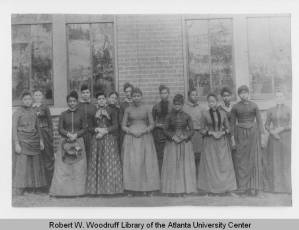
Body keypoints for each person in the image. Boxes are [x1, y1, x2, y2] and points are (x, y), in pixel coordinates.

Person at [122, 87, 160, 195]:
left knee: (146, 162)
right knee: (133, 162)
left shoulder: (147, 108)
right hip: (132, 138)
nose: (136, 98)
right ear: (131, 97)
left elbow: (152, 124)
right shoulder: (128, 109)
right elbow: (123, 126)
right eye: (134, 96)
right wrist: (130, 131)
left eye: (138, 96)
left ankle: (147, 188)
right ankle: (132, 189)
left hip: (145, 137)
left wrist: (145, 131)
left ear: (141, 96)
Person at [197, 93, 237, 195]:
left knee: (223, 166)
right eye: (209, 101)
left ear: (217, 102)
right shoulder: (205, 114)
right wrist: (210, 133)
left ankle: (227, 189)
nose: (211, 103)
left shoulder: (222, 113)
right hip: (210, 143)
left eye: (213, 101)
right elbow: (201, 129)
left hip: (222, 143)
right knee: (211, 166)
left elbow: (229, 128)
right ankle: (210, 190)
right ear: (208, 103)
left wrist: (222, 133)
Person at [49, 91, 87, 197]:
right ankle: (61, 192)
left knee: (78, 168)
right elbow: (60, 128)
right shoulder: (63, 114)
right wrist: (68, 134)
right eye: (70, 101)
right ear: (67, 102)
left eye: (74, 101)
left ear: (77, 102)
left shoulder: (81, 114)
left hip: (78, 142)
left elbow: (85, 128)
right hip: (65, 142)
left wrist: (76, 135)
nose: (72, 103)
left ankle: (78, 192)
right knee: (63, 167)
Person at [86, 92, 123, 195]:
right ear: (96, 101)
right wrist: (96, 129)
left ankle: (110, 189)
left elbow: (115, 125)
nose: (101, 100)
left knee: (108, 163)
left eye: (103, 98)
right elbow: (89, 127)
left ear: (106, 100)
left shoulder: (111, 111)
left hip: (109, 140)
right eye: (99, 99)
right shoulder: (93, 111)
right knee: (97, 163)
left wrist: (105, 131)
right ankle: (97, 190)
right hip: (97, 139)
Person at [230, 85, 264, 196]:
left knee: (254, 160)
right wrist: (233, 140)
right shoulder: (235, 107)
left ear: (248, 93)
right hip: (240, 135)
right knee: (242, 161)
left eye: (245, 93)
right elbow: (232, 125)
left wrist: (262, 137)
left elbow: (260, 122)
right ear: (238, 95)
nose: (243, 95)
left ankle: (255, 188)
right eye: (241, 93)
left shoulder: (254, 105)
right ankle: (243, 188)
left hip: (253, 134)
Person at [161, 94, 197, 195]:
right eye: (175, 104)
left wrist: (185, 136)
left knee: (183, 165)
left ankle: (184, 189)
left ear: (182, 105)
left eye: (179, 104)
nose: (177, 106)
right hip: (172, 143)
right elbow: (165, 129)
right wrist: (172, 136)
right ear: (173, 104)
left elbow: (192, 130)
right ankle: (173, 189)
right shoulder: (169, 116)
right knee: (173, 165)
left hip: (184, 143)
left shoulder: (187, 116)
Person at [12, 91, 47, 195]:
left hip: (34, 140)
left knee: (35, 165)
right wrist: (16, 143)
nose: (28, 101)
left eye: (29, 99)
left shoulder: (33, 111)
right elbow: (14, 129)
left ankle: (36, 187)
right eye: (25, 99)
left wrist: (41, 140)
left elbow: (38, 127)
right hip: (23, 140)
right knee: (23, 165)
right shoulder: (17, 112)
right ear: (22, 101)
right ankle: (20, 187)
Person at [263, 91, 291, 193]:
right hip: (274, 138)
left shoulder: (289, 109)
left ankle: (287, 188)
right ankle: (275, 188)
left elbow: (293, 124)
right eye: (277, 96)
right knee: (275, 161)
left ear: (284, 97)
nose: (279, 98)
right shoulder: (270, 110)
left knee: (286, 161)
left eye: (281, 96)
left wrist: (282, 128)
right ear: (275, 98)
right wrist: (272, 131)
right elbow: (266, 125)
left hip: (286, 137)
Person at [32, 89, 54, 191]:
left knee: (47, 157)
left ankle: (49, 184)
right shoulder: (31, 108)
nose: (37, 97)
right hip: (34, 134)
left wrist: (50, 135)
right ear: (33, 97)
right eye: (35, 95)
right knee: (37, 158)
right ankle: (38, 185)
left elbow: (50, 123)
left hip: (44, 133)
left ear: (42, 97)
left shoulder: (45, 107)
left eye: (39, 95)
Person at [152, 85, 172, 173]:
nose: (164, 95)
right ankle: (160, 175)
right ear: (160, 95)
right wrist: (158, 124)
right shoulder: (156, 107)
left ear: (168, 94)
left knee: (170, 154)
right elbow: (151, 121)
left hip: (169, 133)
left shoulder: (172, 106)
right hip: (159, 133)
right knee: (160, 155)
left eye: (165, 93)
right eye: (162, 93)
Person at [183, 89, 204, 172]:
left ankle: (198, 176)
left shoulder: (201, 108)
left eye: (196, 94)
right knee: (189, 156)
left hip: (198, 134)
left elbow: (205, 121)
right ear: (188, 96)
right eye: (193, 95)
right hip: (188, 135)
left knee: (198, 156)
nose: (195, 96)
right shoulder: (185, 108)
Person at [77, 84, 97, 168]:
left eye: (87, 92)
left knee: (90, 154)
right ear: (81, 94)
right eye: (83, 92)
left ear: (90, 94)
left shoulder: (93, 107)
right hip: (80, 134)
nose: (85, 94)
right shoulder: (77, 106)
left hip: (90, 134)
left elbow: (95, 121)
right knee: (79, 153)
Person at [119, 82, 134, 148]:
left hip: (137, 128)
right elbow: (120, 120)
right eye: (126, 92)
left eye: (130, 91)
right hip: (126, 130)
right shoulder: (122, 105)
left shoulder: (136, 102)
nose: (128, 93)